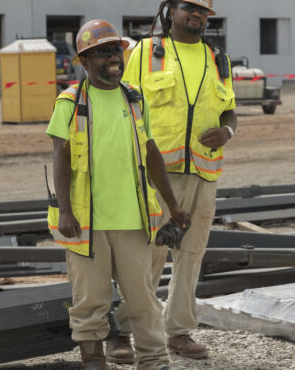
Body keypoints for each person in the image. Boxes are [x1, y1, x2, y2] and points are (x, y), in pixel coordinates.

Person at [47, 19, 189, 370]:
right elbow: (60, 157)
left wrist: (172, 205)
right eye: (102, 53)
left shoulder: (135, 99)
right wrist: (65, 211)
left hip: (132, 221)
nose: (113, 58)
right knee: (90, 303)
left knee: (142, 300)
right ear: (84, 61)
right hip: (86, 225)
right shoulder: (70, 102)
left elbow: (152, 153)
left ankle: (154, 362)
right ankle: (95, 363)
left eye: (116, 50)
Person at [117, 0, 237, 361]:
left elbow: (229, 108)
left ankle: (179, 332)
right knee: (147, 253)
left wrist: (229, 129)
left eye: (203, 11)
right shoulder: (146, 52)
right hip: (156, 175)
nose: (196, 16)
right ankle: (125, 329)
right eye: (190, 8)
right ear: (171, 11)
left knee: (191, 254)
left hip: (203, 175)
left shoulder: (217, 58)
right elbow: (125, 107)